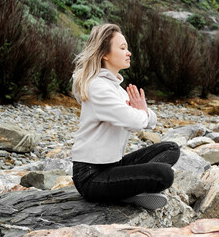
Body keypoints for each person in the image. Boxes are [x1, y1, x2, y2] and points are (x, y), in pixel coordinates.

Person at [71, 23, 180, 210]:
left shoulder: (116, 89)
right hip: (91, 176)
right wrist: (140, 114)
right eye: (122, 48)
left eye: (127, 48)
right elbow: (135, 121)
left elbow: (148, 121)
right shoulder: (97, 87)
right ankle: (125, 192)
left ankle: (126, 189)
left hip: (113, 165)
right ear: (105, 54)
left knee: (171, 148)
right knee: (164, 175)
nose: (128, 52)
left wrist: (141, 112)